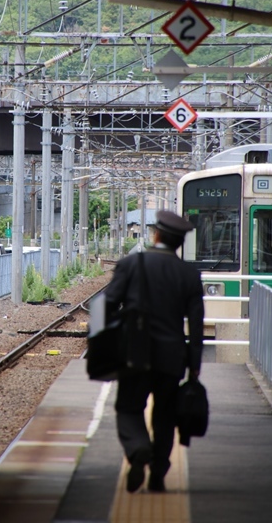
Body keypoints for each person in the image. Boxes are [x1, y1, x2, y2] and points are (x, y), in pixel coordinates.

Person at [104, 210, 204, 493]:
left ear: (156, 235)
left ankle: (137, 449)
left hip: (133, 353)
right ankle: (158, 474)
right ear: (179, 242)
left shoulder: (131, 264)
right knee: (165, 416)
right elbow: (196, 325)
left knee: (128, 407)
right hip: (172, 359)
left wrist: (100, 341)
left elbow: (107, 304)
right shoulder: (188, 274)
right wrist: (194, 365)